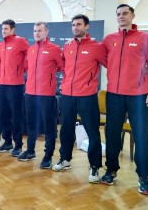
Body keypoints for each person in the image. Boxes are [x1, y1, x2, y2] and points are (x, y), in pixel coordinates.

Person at [101, 4, 148, 195]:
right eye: (118, 14)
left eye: (125, 13)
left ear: (132, 15)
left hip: (138, 95)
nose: (121, 16)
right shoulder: (109, 40)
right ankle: (111, 170)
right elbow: (102, 58)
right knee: (113, 134)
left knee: (141, 136)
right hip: (114, 94)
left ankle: (145, 176)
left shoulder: (146, 38)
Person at [52, 14, 107, 184]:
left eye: (79, 24)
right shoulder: (67, 46)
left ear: (87, 26)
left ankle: (95, 166)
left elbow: (111, 65)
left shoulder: (97, 47)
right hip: (68, 95)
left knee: (92, 132)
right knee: (66, 130)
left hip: (87, 96)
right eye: (73, 25)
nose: (75, 27)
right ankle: (65, 159)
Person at [21, 22, 64, 168]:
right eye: (35, 31)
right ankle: (30, 150)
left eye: (40, 30)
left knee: (49, 126)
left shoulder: (55, 49)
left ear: (46, 32)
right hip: (30, 93)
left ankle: (48, 156)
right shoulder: (31, 50)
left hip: (46, 94)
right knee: (31, 123)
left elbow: (62, 67)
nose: (37, 33)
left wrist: (49, 76)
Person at [0, 19, 29, 157]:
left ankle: (18, 145)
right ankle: (7, 141)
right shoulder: (2, 44)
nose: (3, 31)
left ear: (12, 29)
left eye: (6, 29)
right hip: (2, 84)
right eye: (2, 28)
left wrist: (22, 69)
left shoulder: (20, 41)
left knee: (16, 117)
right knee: (4, 115)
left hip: (16, 85)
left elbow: (30, 55)